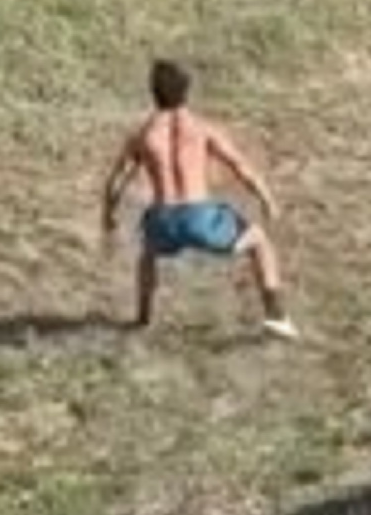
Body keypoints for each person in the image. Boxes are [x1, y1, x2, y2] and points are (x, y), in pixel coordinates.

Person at [99, 58, 298, 339]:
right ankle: (277, 316)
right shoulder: (202, 128)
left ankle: (142, 319)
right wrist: (267, 200)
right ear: (187, 91)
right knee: (259, 241)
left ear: (153, 91)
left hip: (164, 218)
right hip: (200, 215)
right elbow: (240, 166)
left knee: (148, 254)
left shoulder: (143, 134)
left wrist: (107, 216)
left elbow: (116, 181)